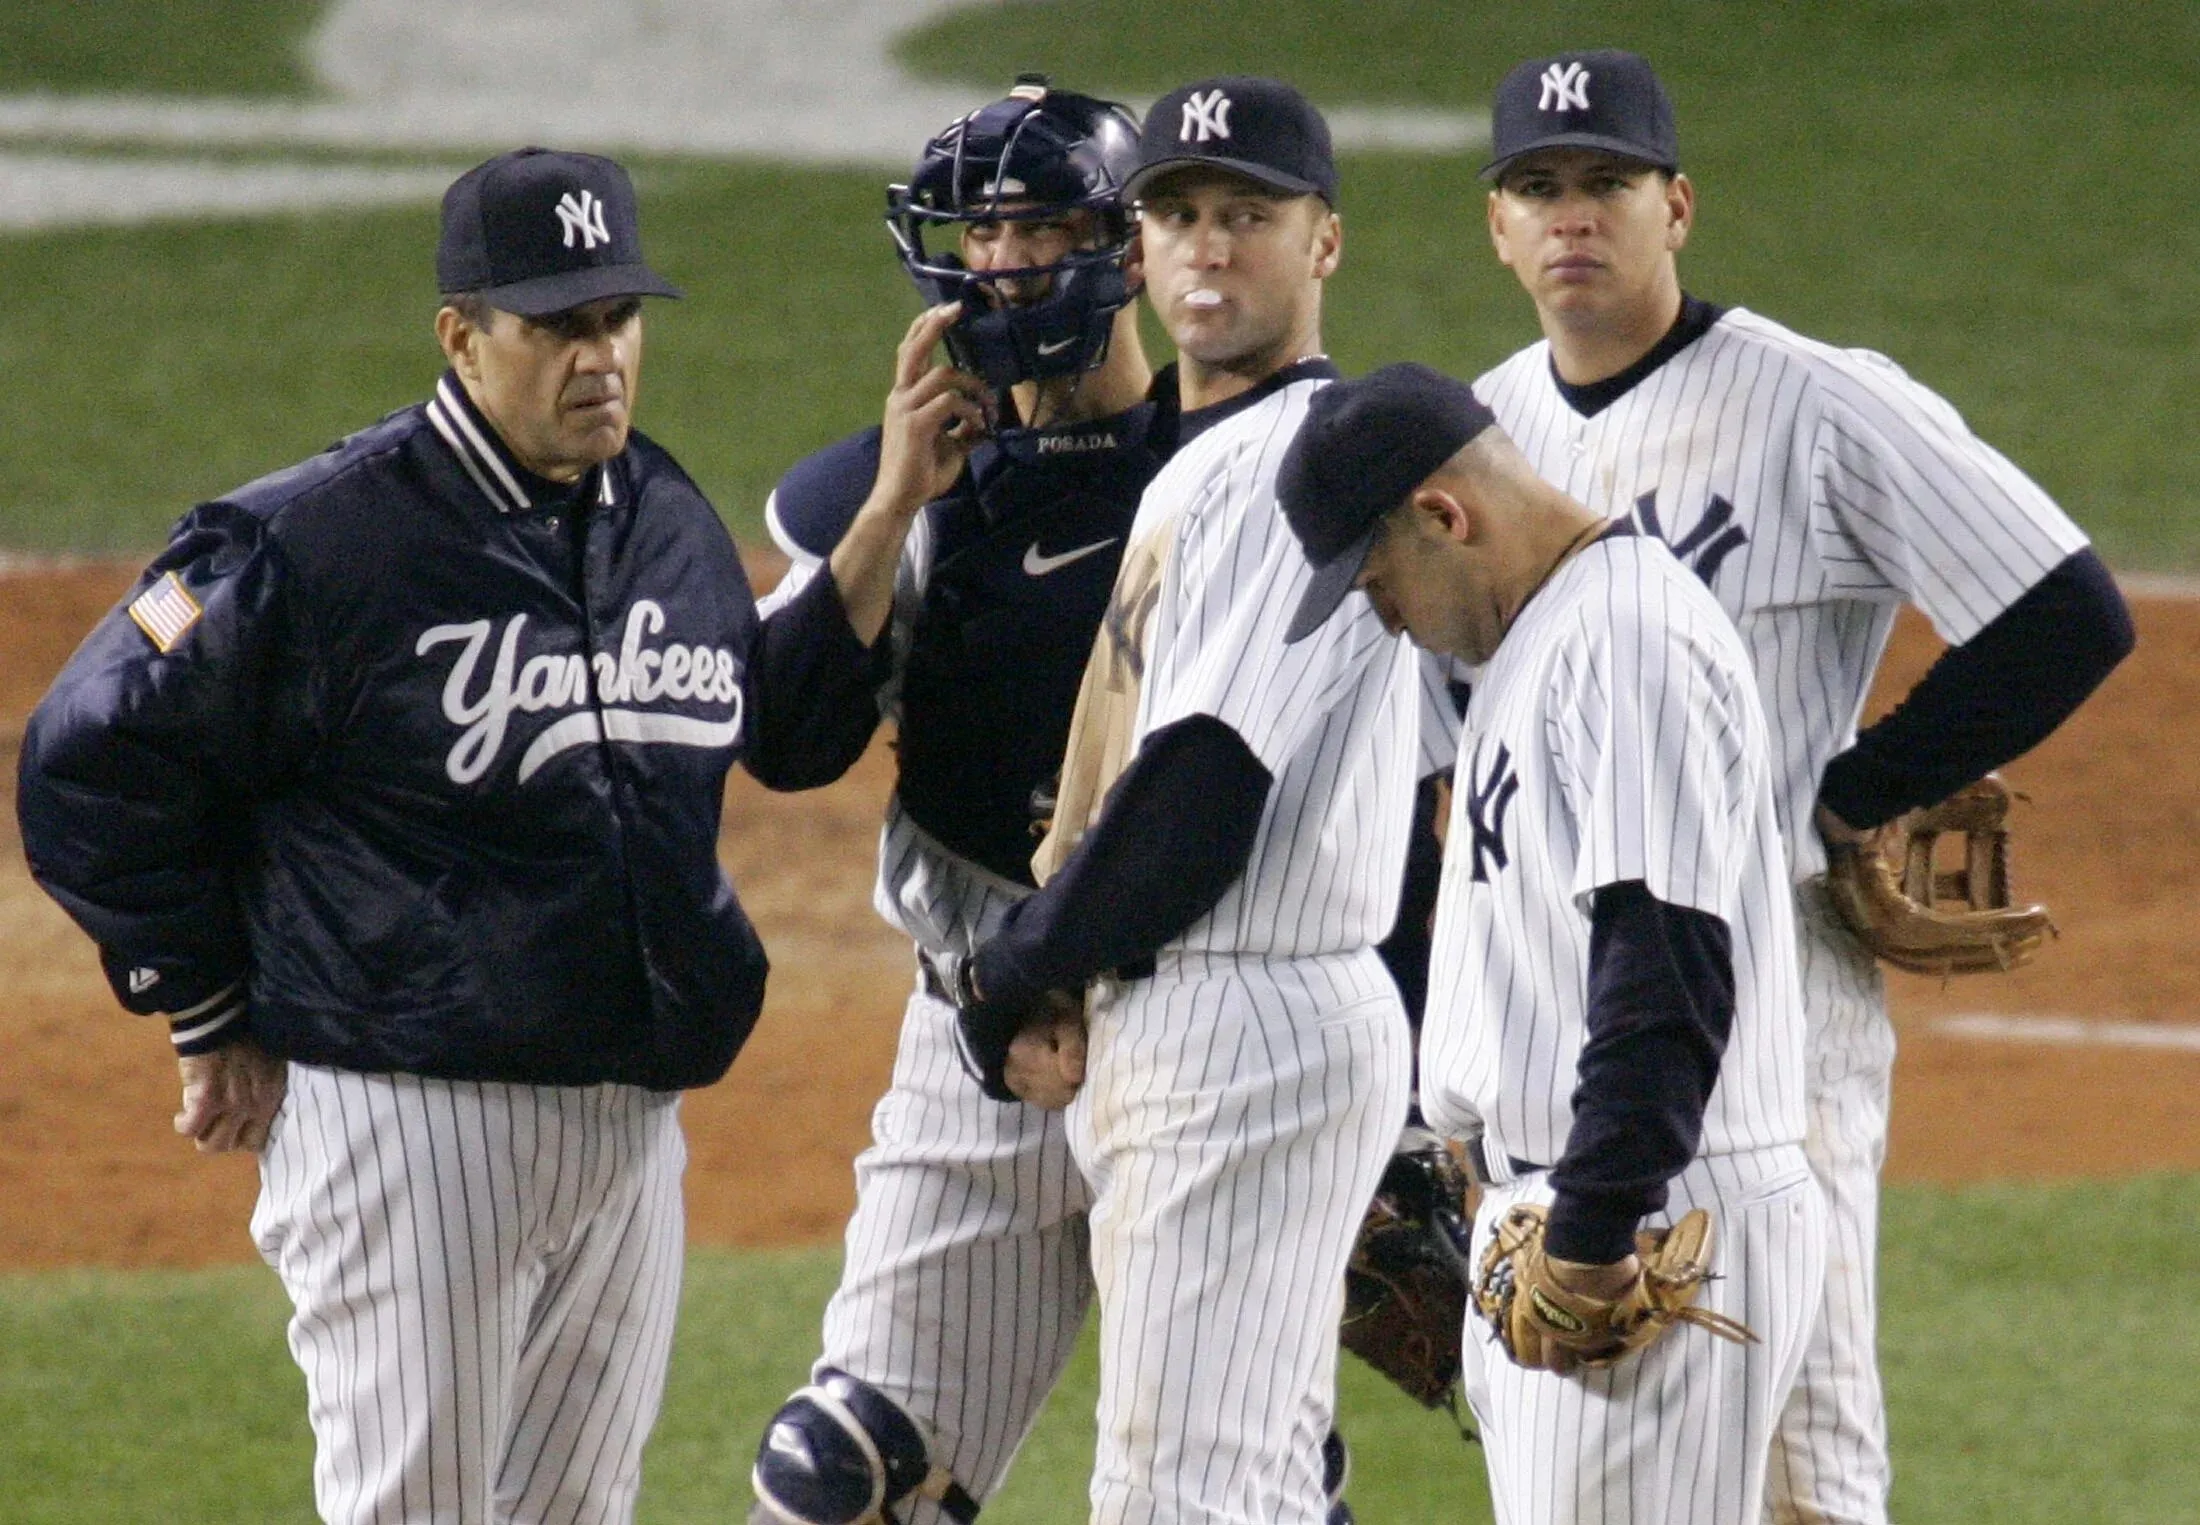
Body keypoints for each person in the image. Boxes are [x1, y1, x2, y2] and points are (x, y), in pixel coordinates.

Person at [17, 147, 778, 1524]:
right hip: (412, 1120)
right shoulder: (313, 543)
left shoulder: (664, 517)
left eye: (616, 316)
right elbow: (87, 755)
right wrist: (204, 998)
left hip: (628, 1126)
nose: (598, 354)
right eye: (555, 325)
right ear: (461, 335)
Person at [1466, 51, 2135, 1524]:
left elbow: (2069, 610)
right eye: (1540, 187)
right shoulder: (1486, 431)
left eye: (1608, 184)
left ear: (1677, 206)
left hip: (1775, 1019)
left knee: (1808, 1472)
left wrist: (1858, 791)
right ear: (1498, 228)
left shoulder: (1811, 403)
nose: (1574, 216)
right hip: (1561, 1027)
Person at [931, 77, 1421, 1525]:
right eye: (1179, 215)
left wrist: (1014, 972)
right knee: (1250, 1481)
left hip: (1243, 1020)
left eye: (1250, 217)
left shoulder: (1306, 460)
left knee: (1183, 1494)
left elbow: (1201, 788)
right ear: (1136, 249)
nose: (1209, 248)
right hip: (1215, 1017)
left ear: (1324, 242)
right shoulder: (1202, 468)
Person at [1279, 360, 1827, 1523]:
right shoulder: (1542, 639)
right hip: (1572, 1204)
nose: (1382, 613)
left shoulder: (1624, 639)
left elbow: (1665, 951)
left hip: (1645, 1221)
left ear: (1442, 514)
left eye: (1374, 579)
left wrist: (1587, 1227)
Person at [738, 77, 1165, 1525]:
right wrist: (897, 499)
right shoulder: (898, 485)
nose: (1003, 262)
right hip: (970, 1025)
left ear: (1131, 244)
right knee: (842, 1480)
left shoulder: (1247, 470)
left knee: (1230, 1488)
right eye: (983, 231)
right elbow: (786, 739)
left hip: (1198, 1023)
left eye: (1042, 222)